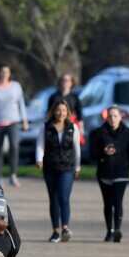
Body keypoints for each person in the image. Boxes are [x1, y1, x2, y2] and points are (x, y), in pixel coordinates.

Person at [90, 105, 129, 242]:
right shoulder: (99, 133)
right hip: (104, 173)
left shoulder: (128, 133)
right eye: (110, 116)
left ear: (121, 117)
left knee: (117, 202)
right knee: (107, 203)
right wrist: (103, 152)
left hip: (121, 172)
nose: (112, 118)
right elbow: (92, 154)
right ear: (106, 117)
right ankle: (109, 230)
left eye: (115, 116)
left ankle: (117, 229)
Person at [37, 99, 79, 243]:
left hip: (67, 167)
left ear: (67, 112)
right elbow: (40, 145)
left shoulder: (73, 127)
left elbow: (76, 148)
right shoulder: (46, 127)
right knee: (53, 199)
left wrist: (78, 166)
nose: (61, 113)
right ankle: (55, 231)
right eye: (58, 110)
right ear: (53, 111)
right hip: (50, 167)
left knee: (63, 197)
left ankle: (65, 228)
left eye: (64, 110)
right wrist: (39, 159)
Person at [0, 64, 28, 187]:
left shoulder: (16, 86)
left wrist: (24, 120)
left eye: (7, 72)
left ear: (10, 74)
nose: (4, 74)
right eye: (2, 71)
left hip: (13, 122)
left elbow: (21, 103)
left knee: (14, 146)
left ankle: (13, 175)